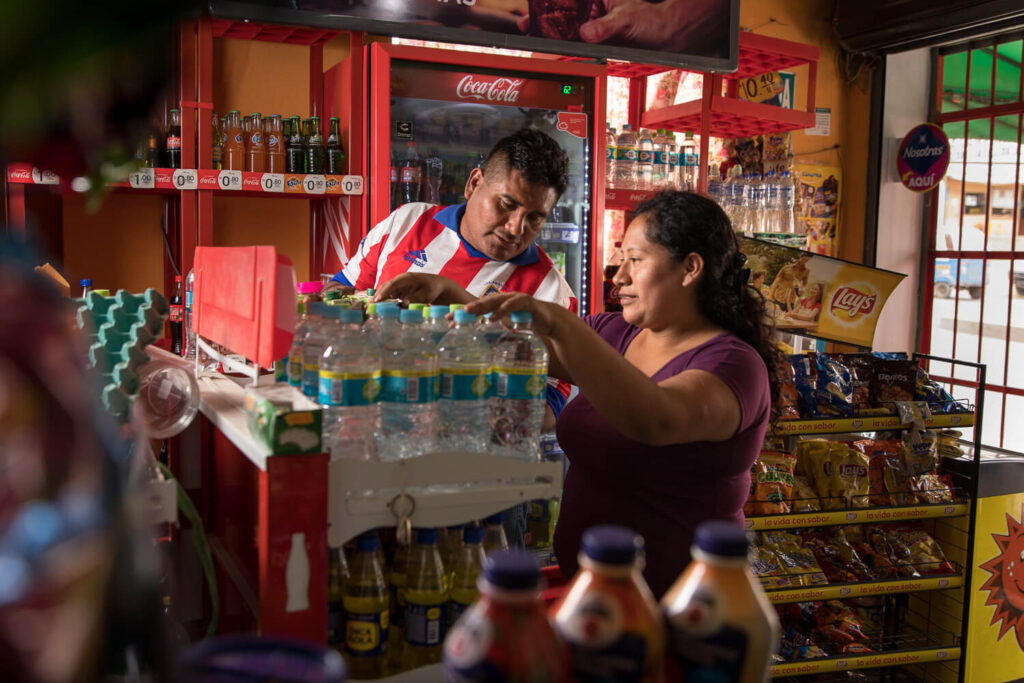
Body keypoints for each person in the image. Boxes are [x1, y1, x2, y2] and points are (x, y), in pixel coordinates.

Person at [466, 191, 780, 599]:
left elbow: (655, 417)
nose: (619, 276)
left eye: (636, 259)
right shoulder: (615, 333)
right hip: (591, 595)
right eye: (621, 258)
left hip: (682, 611)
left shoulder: (734, 365)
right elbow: (518, 344)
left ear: (690, 268)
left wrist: (562, 324)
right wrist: (450, 300)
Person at [327, 128, 576, 546]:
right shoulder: (406, 222)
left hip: (481, 490)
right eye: (507, 204)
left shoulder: (550, 291)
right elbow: (338, 293)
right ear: (475, 182)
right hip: (370, 459)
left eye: (534, 218)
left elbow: (547, 408)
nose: (516, 228)